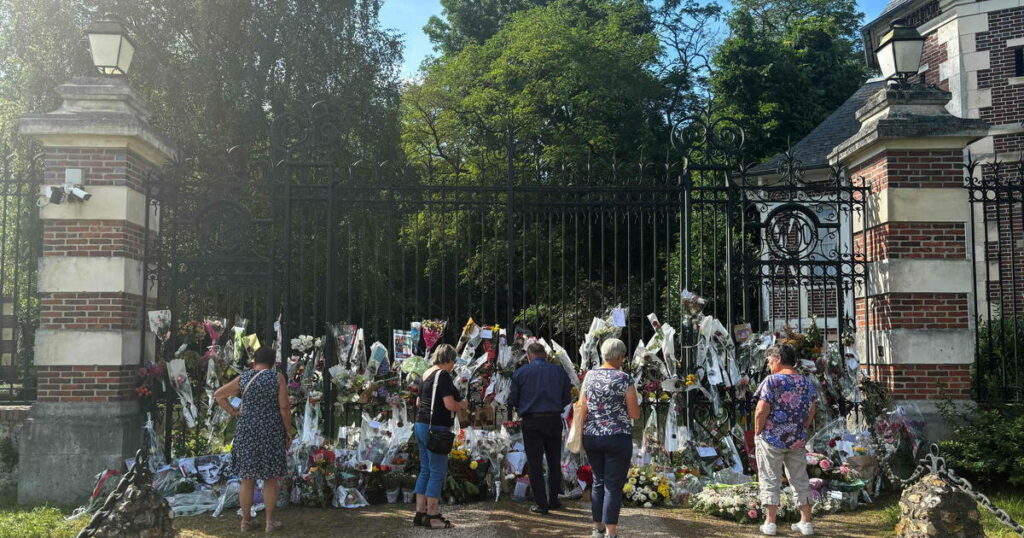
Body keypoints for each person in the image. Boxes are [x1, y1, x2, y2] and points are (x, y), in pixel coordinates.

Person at [215, 346, 292, 533]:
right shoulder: (277, 378)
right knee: (270, 478)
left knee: (247, 479)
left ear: (254, 361)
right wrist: (288, 431)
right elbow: (284, 408)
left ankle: (246, 522)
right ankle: (269, 522)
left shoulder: (244, 378)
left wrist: (234, 412)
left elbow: (219, 395)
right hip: (270, 431)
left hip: (246, 431)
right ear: (273, 362)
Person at [579, 338, 640, 538]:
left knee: (598, 481)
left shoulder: (589, 376)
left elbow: (582, 406)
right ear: (620, 356)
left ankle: (597, 527)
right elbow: (634, 414)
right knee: (613, 485)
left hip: (592, 436)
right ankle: (611, 532)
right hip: (617, 436)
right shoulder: (624, 378)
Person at [754, 344, 817, 536]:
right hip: (796, 439)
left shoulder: (772, 381)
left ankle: (770, 522)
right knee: (800, 478)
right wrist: (801, 428)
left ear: (779, 359)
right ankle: (806, 522)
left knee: (770, 477)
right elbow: (812, 409)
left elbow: (761, 409)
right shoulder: (805, 382)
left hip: (772, 438)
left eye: (770, 361)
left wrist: (758, 431)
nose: (769, 365)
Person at [509, 342, 572, 515]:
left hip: (532, 422)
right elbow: (567, 398)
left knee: (535, 464)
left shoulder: (521, 373)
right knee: (554, 461)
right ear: (545, 354)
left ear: (529, 356)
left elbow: (513, 400)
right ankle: (553, 499)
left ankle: (541, 504)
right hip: (553, 420)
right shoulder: (559, 371)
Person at [413, 343, 467, 529]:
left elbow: (419, 401)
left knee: (425, 470)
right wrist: (463, 405)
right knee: (437, 472)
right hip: (436, 428)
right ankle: (432, 516)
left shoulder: (426, 374)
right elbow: (450, 404)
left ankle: (420, 513)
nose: (454, 365)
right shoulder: (443, 375)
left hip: (421, 424)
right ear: (448, 359)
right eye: (453, 361)